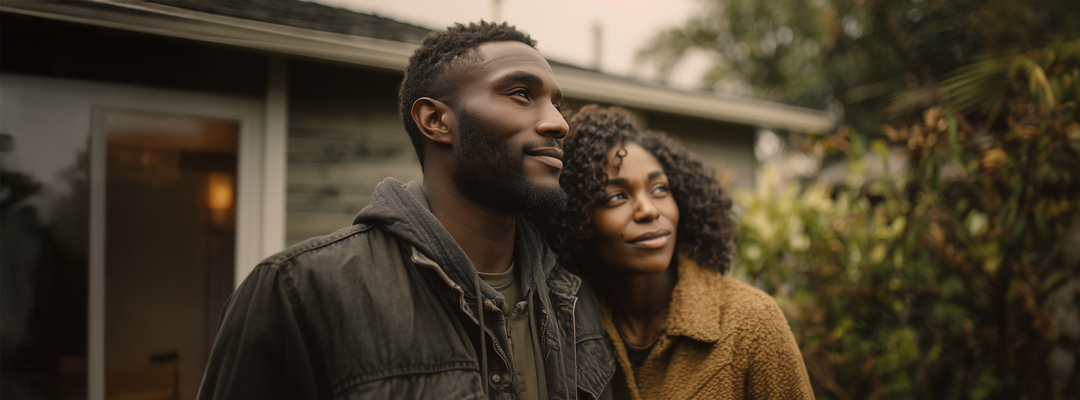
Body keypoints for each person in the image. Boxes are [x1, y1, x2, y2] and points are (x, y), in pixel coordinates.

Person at [197, 22, 614, 400]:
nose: (559, 123)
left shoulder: (575, 297)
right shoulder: (297, 292)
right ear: (435, 120)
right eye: (521, 94)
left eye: (556, 104)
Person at [530, 105, 814, 400]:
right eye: (616, 196)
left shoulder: (752, 322)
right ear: (575, 219)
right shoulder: (567, 328)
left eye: (659, 189)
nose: (649, 210)